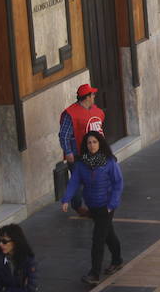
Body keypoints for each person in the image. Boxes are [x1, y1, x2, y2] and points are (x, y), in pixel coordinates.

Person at [62, 131, 124, 284]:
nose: (92, 145)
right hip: (93, 205)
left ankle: (94, 274)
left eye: (95, 142)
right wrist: (66, 199)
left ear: (100, 143)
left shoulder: (109, 162)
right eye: (89, 143)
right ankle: (117, 260)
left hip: (106, 206)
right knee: (108, 234)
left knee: (98, 239)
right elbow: (74, 181)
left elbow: (118, 183)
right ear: (85, 145)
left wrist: (112, 204)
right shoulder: (82, 164)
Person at [59, 83, 105, 216]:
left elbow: (100, 131)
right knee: (77, 182)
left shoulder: (96, 111)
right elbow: (64, 135)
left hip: (95, 153)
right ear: (87, 97)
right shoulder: (71, 114)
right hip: (77, 154)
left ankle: (95, 206)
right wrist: (68, 152)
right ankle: (78, 206)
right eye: (92, 94)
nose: (94, 96)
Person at [0, 224, 38, 292]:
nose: (0, 244)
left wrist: (6, 289)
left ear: (15, 241)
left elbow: (31, 288)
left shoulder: (29, 261)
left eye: (4, 241)